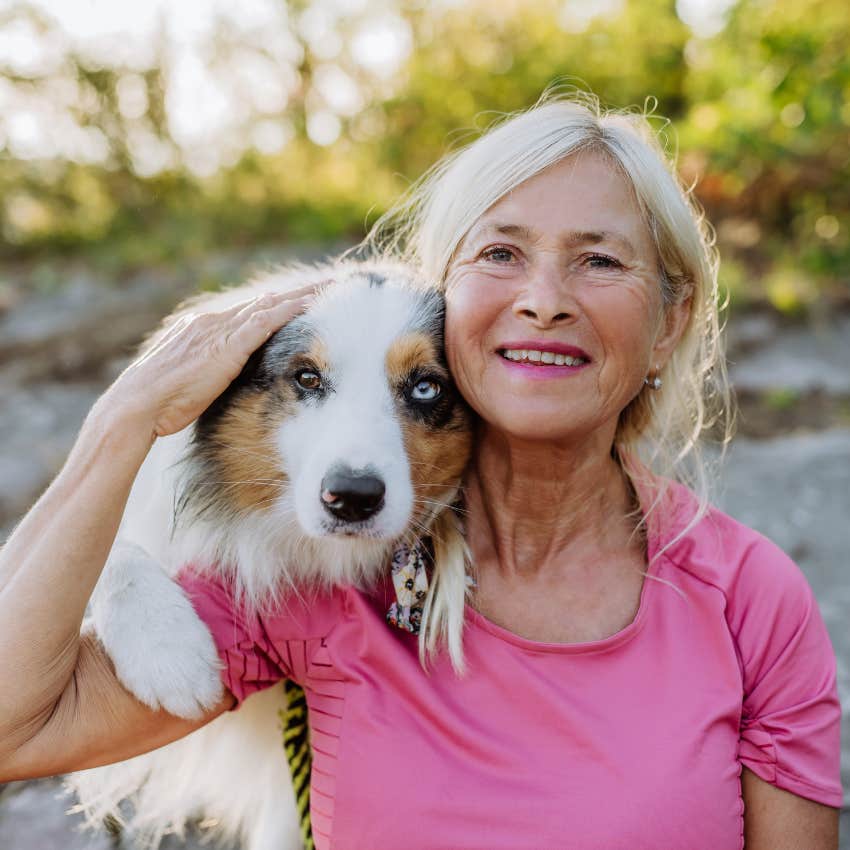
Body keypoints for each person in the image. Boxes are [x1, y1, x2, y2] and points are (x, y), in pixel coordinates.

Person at [0, 91, 841, 849]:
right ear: (453, 295)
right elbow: (13, 728)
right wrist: (122, 423)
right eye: (502, 253)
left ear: (670, 321)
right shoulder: (328, 573)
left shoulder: (750, 600)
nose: (544, 299)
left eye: (599, 260)